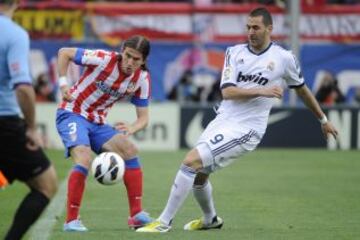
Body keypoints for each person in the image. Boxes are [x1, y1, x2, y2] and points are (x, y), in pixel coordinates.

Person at [136, 7, 339, 233]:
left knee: (190, 161)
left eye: (256, 27)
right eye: (248, 27)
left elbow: (302, 90)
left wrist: (323, 119)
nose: (250, 32)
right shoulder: (234, 52)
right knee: (199, 175)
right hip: (223, 120)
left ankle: (164, 222)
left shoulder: (283, 58)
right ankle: (210, 219)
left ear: (269, 29)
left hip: (248, 130)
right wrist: (262, 91)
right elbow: (228, 92)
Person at [56, 35, 153, 232]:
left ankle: (136, 215)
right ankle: (71, 221)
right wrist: (64, 84)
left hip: (97, 122)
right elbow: (64, 53)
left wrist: (131, 128)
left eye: (136, 59)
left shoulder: (142, 78)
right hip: (72, 113)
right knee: (83, 158)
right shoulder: (103, 58)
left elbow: (143, 118)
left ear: (143, 61)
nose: (129, 62)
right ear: (122, 51)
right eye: (127, 56)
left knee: (130, 150)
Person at [0, 1, 58, 239]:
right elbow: (23, 88)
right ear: (19, 2)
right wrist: (32, 128)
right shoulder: (14, 34)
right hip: (4, 122)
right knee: (46, 184)